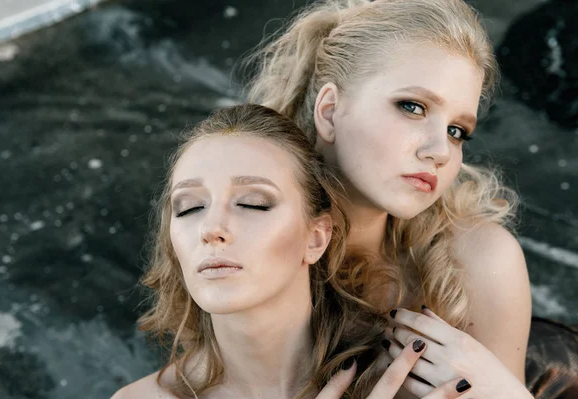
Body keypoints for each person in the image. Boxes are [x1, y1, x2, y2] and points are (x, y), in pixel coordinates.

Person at [243, 0, 578, 398]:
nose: (440, 150)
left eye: (457, 130)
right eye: (413, 107)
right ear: (330, 111)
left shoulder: (481, 260)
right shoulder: (236, 243)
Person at [110, 104, 474, 399]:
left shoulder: (407, 384)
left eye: (253, 204)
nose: (211, 230)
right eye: (189, 208)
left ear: (315, 238)